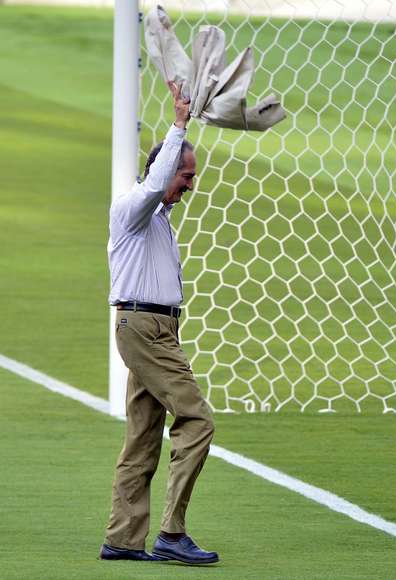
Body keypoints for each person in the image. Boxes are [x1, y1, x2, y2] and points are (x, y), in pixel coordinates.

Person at [99, 82, 218, 565]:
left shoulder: (161, 220)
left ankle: (123, 540)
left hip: (156, 329)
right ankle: (171, 534)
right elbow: (156, 184)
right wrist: (179, 123)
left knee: (143, 436)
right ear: (164, 170)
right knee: (197, 420)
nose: (190, 184)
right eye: (186, 175)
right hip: (144, 329)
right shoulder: (132, 209)